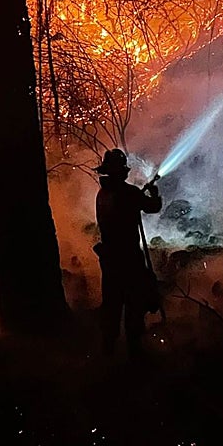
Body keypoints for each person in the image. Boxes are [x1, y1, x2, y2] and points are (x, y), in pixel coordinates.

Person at [93, 148, 161, 359]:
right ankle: (135, 350)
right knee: (134, 302)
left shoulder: (102, 194)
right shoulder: (127, 193)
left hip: (109, 258)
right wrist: (154, 195)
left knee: (111, 303)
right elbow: (151, 207)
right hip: (128, 257)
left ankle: (108, 349)